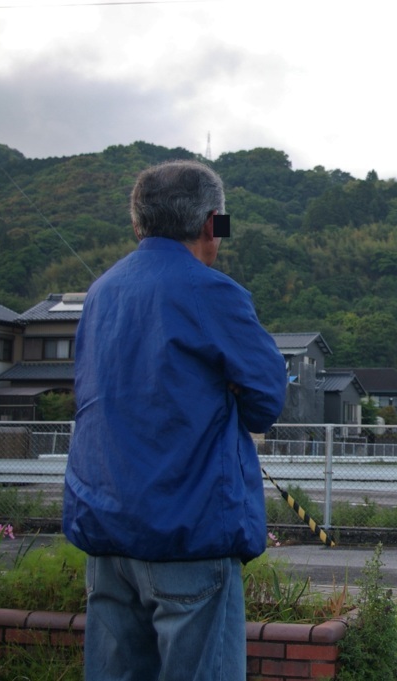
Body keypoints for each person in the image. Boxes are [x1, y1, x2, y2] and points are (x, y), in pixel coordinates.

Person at [62, 159, 287, 681]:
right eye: (220, 226)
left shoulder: (102, 292)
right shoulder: (210, 290)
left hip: (107, 531)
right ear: (212, 223)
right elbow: (266, 399)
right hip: (187, 532)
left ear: (138, 223)